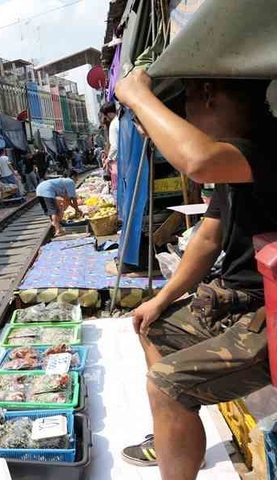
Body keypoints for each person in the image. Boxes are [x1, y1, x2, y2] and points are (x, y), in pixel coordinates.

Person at [115, 71, 276, 480]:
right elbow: (208, 235)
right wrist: (162, 298)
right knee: (152, 326)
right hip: (236, 300)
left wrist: (136, 95)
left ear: (207, 93)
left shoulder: (267, 146)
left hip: (269, 313)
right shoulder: (235, 159)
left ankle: (176, 443)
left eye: (183, 102)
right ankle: (179, 440)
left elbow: (197, 162)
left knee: (166, 384)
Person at [100, 102, 119, 192]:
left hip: (118, 162)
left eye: (104, 116)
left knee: (117, 187)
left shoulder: (114, 124)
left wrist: (109, 159)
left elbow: (115, 145)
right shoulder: (121, 120)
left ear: (108, 114)